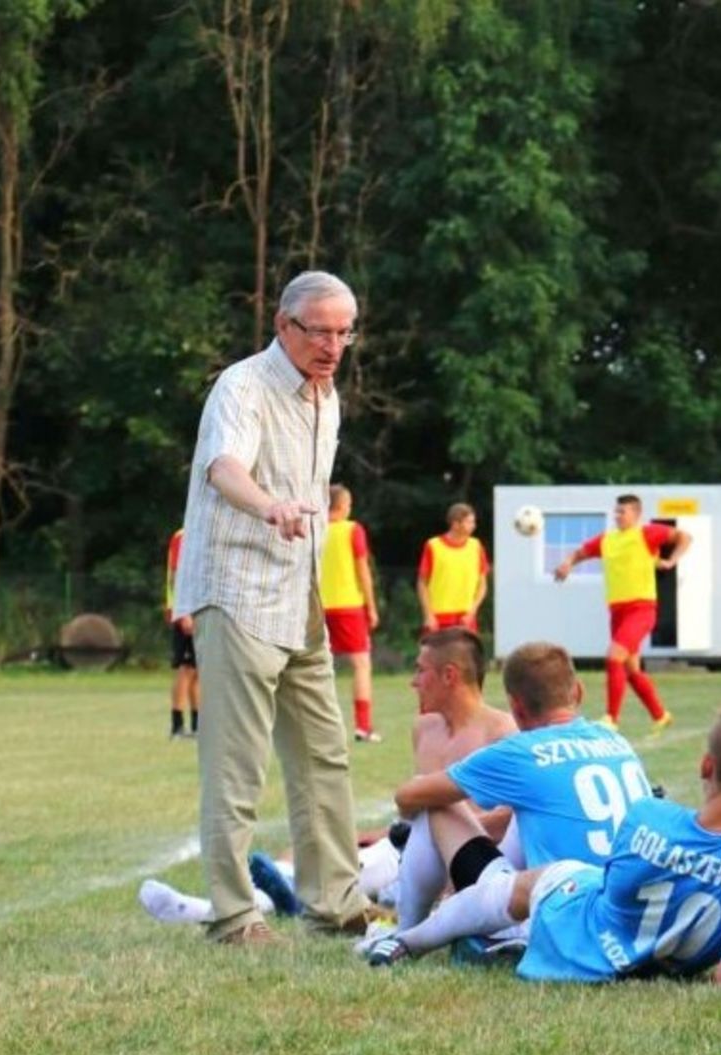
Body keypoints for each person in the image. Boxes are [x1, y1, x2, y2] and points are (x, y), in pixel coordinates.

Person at [171, 270, 372, 945]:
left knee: (324, 754)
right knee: (237, 762)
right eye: (322, 331)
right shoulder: (243, 386)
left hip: (300, 596)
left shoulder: (328, 395)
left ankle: (336, 904)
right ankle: (232, 917)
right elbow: (224, 467)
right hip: (238, 590)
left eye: (345, 332)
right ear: (284, 325)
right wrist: (270, 507)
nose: (335, 346)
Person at [370, 700, 721, 984]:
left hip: (577, 942)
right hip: (648, 962)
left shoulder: (649, 817)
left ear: (706, 765)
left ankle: (409, 941)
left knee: (545, 879)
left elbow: (613, 895)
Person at [138, 627, 515, 926]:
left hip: (452, 859)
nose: (412, 682)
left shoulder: (502, 734)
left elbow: (510, 822)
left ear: (450, 676)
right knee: (319, 855)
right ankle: (266, 894)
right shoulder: (425, 727)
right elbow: (417, 810)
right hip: (406, 845)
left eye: (421, 671)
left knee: (341, 874)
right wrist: (394, 832)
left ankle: (207, 910)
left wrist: (436, 834)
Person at [362, 641, 654, 960]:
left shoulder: (522, 751)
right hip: (633, 911)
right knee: (522, 811)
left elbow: (409, 796)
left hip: (560, 906)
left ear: (516, 707)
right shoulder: (615, 740)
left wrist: (415, 826)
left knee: (434, 802)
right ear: (579, 692)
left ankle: (406, 929)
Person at [552, 493, 693, 734]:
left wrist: (671, 560)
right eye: (616, 512)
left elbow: (685, 537)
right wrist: (567, 563)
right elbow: (580, 553)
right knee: (631, 670)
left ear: (636, 514)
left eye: (623, 512)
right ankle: (660, 715)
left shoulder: (647, 533)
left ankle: (611, 719)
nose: (618, 516)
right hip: (617, 611)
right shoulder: (608, 540)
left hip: (642, 609)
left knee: (614, 657)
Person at [321, 484, 383, 742]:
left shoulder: (315, 528)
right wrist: (371, 605)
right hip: (348, 605)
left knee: (318, 667)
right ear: (342, 505)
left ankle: (320, 727)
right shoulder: (352, 530)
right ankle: (362, 726)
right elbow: (363, 571)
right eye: (349, 503)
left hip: (318, 605)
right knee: (360, 664)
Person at [417, 503, 490, 633]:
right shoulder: (433, 546)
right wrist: (428, 615)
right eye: (469, 522)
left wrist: (472, 612)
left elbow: (482, 584)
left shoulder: (476, 546)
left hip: (465, 618)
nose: (474, 526)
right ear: (455, 524)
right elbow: (422, 582)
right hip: (438, 617)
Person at [165, 527, 200, 740]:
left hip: (198, 611)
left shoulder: (199, 532)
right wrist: (184, 612)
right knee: (186, 669)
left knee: (197, 671)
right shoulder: (184, 535)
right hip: (186, 612)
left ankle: (198, 725)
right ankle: (177, 725)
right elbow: (178, 574)